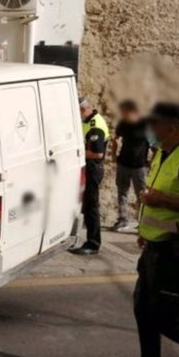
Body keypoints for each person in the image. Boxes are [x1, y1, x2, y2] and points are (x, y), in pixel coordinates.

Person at [110, 102, 179, 357]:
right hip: (158, 245)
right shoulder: (165, 152)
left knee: (164, 318)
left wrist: (161, 200)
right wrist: (145, 232)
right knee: (143, 308)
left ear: (171, 127)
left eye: (154, 125)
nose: (149, 130)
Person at [70, 97, 109, 255]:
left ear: (82, 110)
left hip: (93, 168)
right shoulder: (86, 121)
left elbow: (97, 153)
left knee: (91, 206)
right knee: (85, 205)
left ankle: (93, 243)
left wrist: (74, 153)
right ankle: (85, 239)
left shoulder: (95, 125)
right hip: (85, 167)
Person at [111, 99, 150, 231]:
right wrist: (113, 154)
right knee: (122, 192)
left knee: (142, 195)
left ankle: (143, 223)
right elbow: (115, 138)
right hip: (123, 163)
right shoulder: (123, 123)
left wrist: (151, 163)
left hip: (139, 166)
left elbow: (156, 147)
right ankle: (123, 220)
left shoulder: (146, 125)